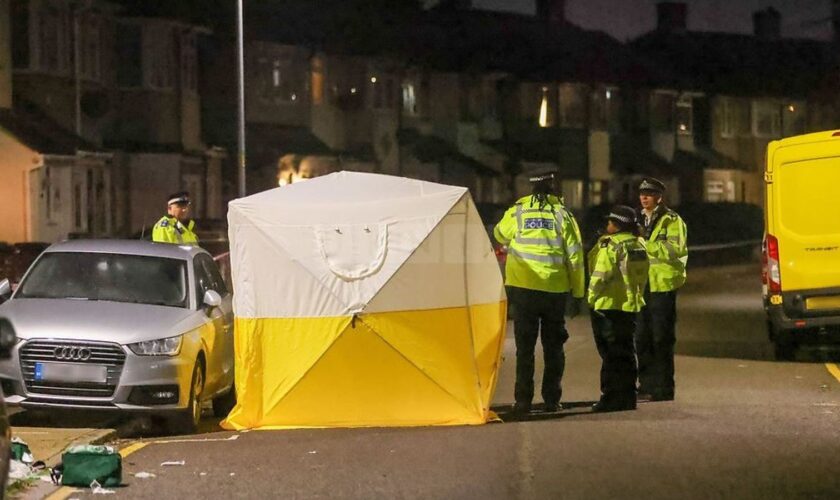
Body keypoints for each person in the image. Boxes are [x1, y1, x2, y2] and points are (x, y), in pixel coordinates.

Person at [493, 172, 585, 415]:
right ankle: (552, 400)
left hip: (523, 290)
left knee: (525, 348)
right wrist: (578, 293)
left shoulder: (518, 211)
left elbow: (499, 234)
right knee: (553, 347)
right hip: (554, 290)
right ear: (552, 187)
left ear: (532, 188)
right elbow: (575, 256)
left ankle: (523, 401)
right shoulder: (563, 215)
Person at [587, 206, 649, 412]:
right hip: (630, 305)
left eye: (610, 223)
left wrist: (589, 297)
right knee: (627, 352)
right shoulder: (639, 244)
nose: (607, 226)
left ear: (617, 224)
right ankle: (628, 396)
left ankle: (610, 397)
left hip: (608, 305)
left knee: (610, 355)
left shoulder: (611, 245)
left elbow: (601, 275)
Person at [635, 177, 687, 401]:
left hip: (663, 285)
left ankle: (664, 387)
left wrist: (645, 245)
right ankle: (646, 384)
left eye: (649, 193)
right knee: (641, 337)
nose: (644, 197)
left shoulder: (672, 220)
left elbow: (675, 249)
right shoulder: (637, 219)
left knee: (661, 338)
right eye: (642, 193)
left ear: (659, 197)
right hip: (640, 285)